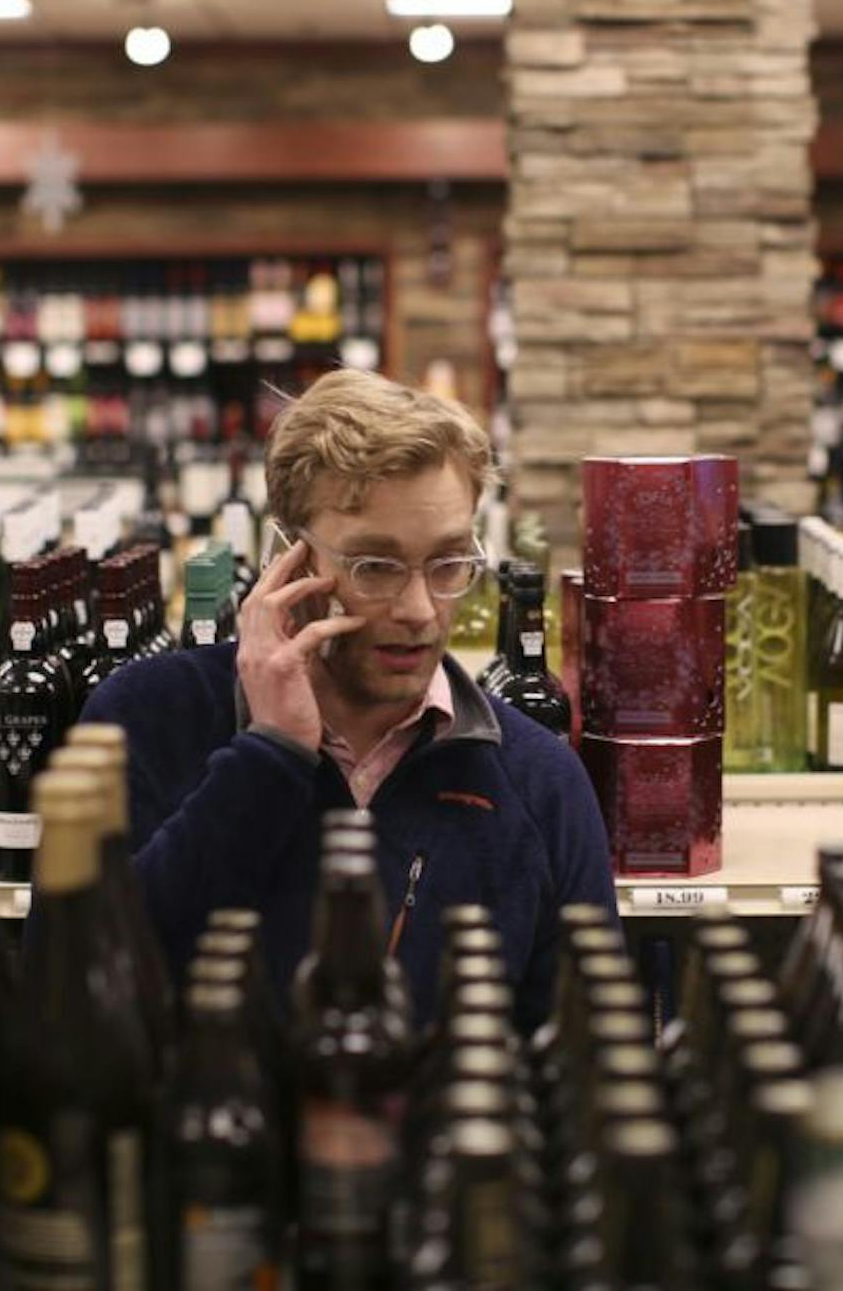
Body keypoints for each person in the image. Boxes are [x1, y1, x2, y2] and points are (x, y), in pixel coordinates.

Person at [80, 369, 618, 1029]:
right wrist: (268, 757)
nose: (420, 610)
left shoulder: (538, 781)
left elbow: (581, 1059)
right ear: (289, 560)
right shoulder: (148, 717)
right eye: (375, 567)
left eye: (449, 563)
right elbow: (89, 993)